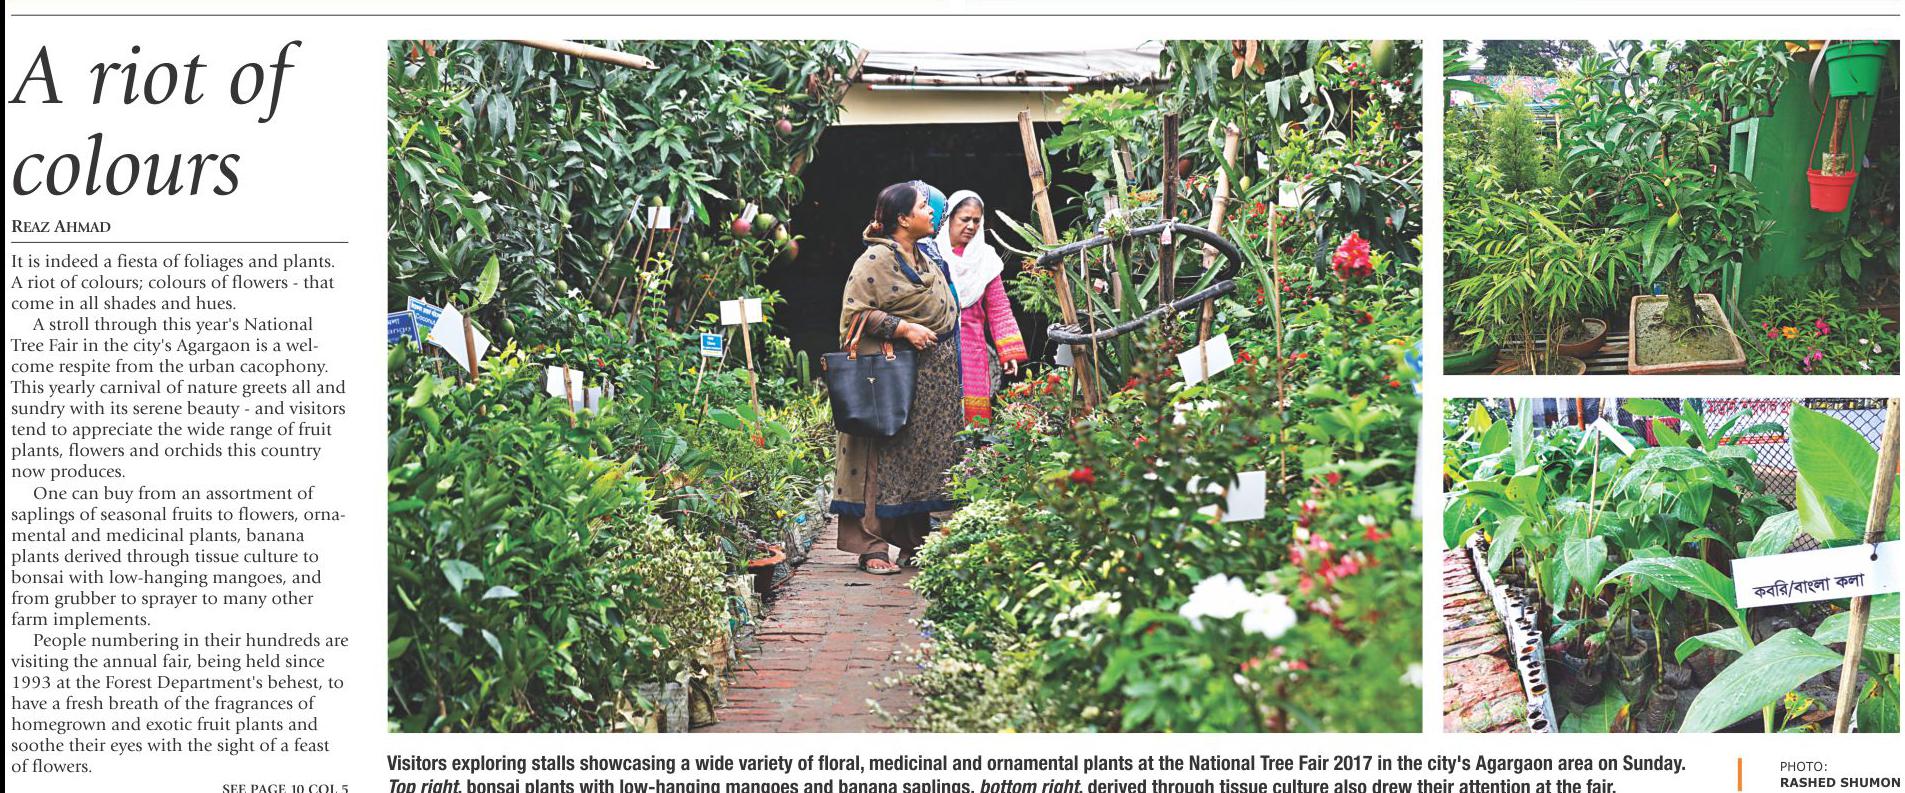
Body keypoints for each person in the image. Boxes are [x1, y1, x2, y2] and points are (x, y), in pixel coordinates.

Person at [829, 182, 964, 575]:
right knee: (878, 455)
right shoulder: (875, 260)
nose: (932, 212)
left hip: (930, 383)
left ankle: (911, 542)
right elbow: (854, 315)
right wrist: (903, 328)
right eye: (924, 206)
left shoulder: (925, 259)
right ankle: (871, 546)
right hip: (887, 379)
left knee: (915, 457)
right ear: (903, 218)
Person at [934, 190, 1027, 423]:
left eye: (977, 221)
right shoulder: (931, 255)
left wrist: (1008, 352)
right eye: (965, 219)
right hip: (934, 345)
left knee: (972, 417)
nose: (971, 226)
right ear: (949, 219)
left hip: (972, 347)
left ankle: (972, 448)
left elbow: (999, 308)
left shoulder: (986, 259)